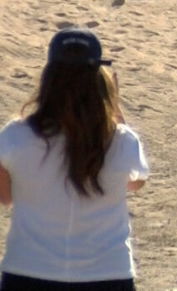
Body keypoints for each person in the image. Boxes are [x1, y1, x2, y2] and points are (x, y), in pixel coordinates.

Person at [0, 28, 149, 288]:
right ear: (100, 83)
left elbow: (6, 197)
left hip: (28, 270)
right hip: (107, 274)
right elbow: (135, 183)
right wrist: (113, 107)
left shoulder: (16, 136)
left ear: (48, 80)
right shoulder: (123, 141)